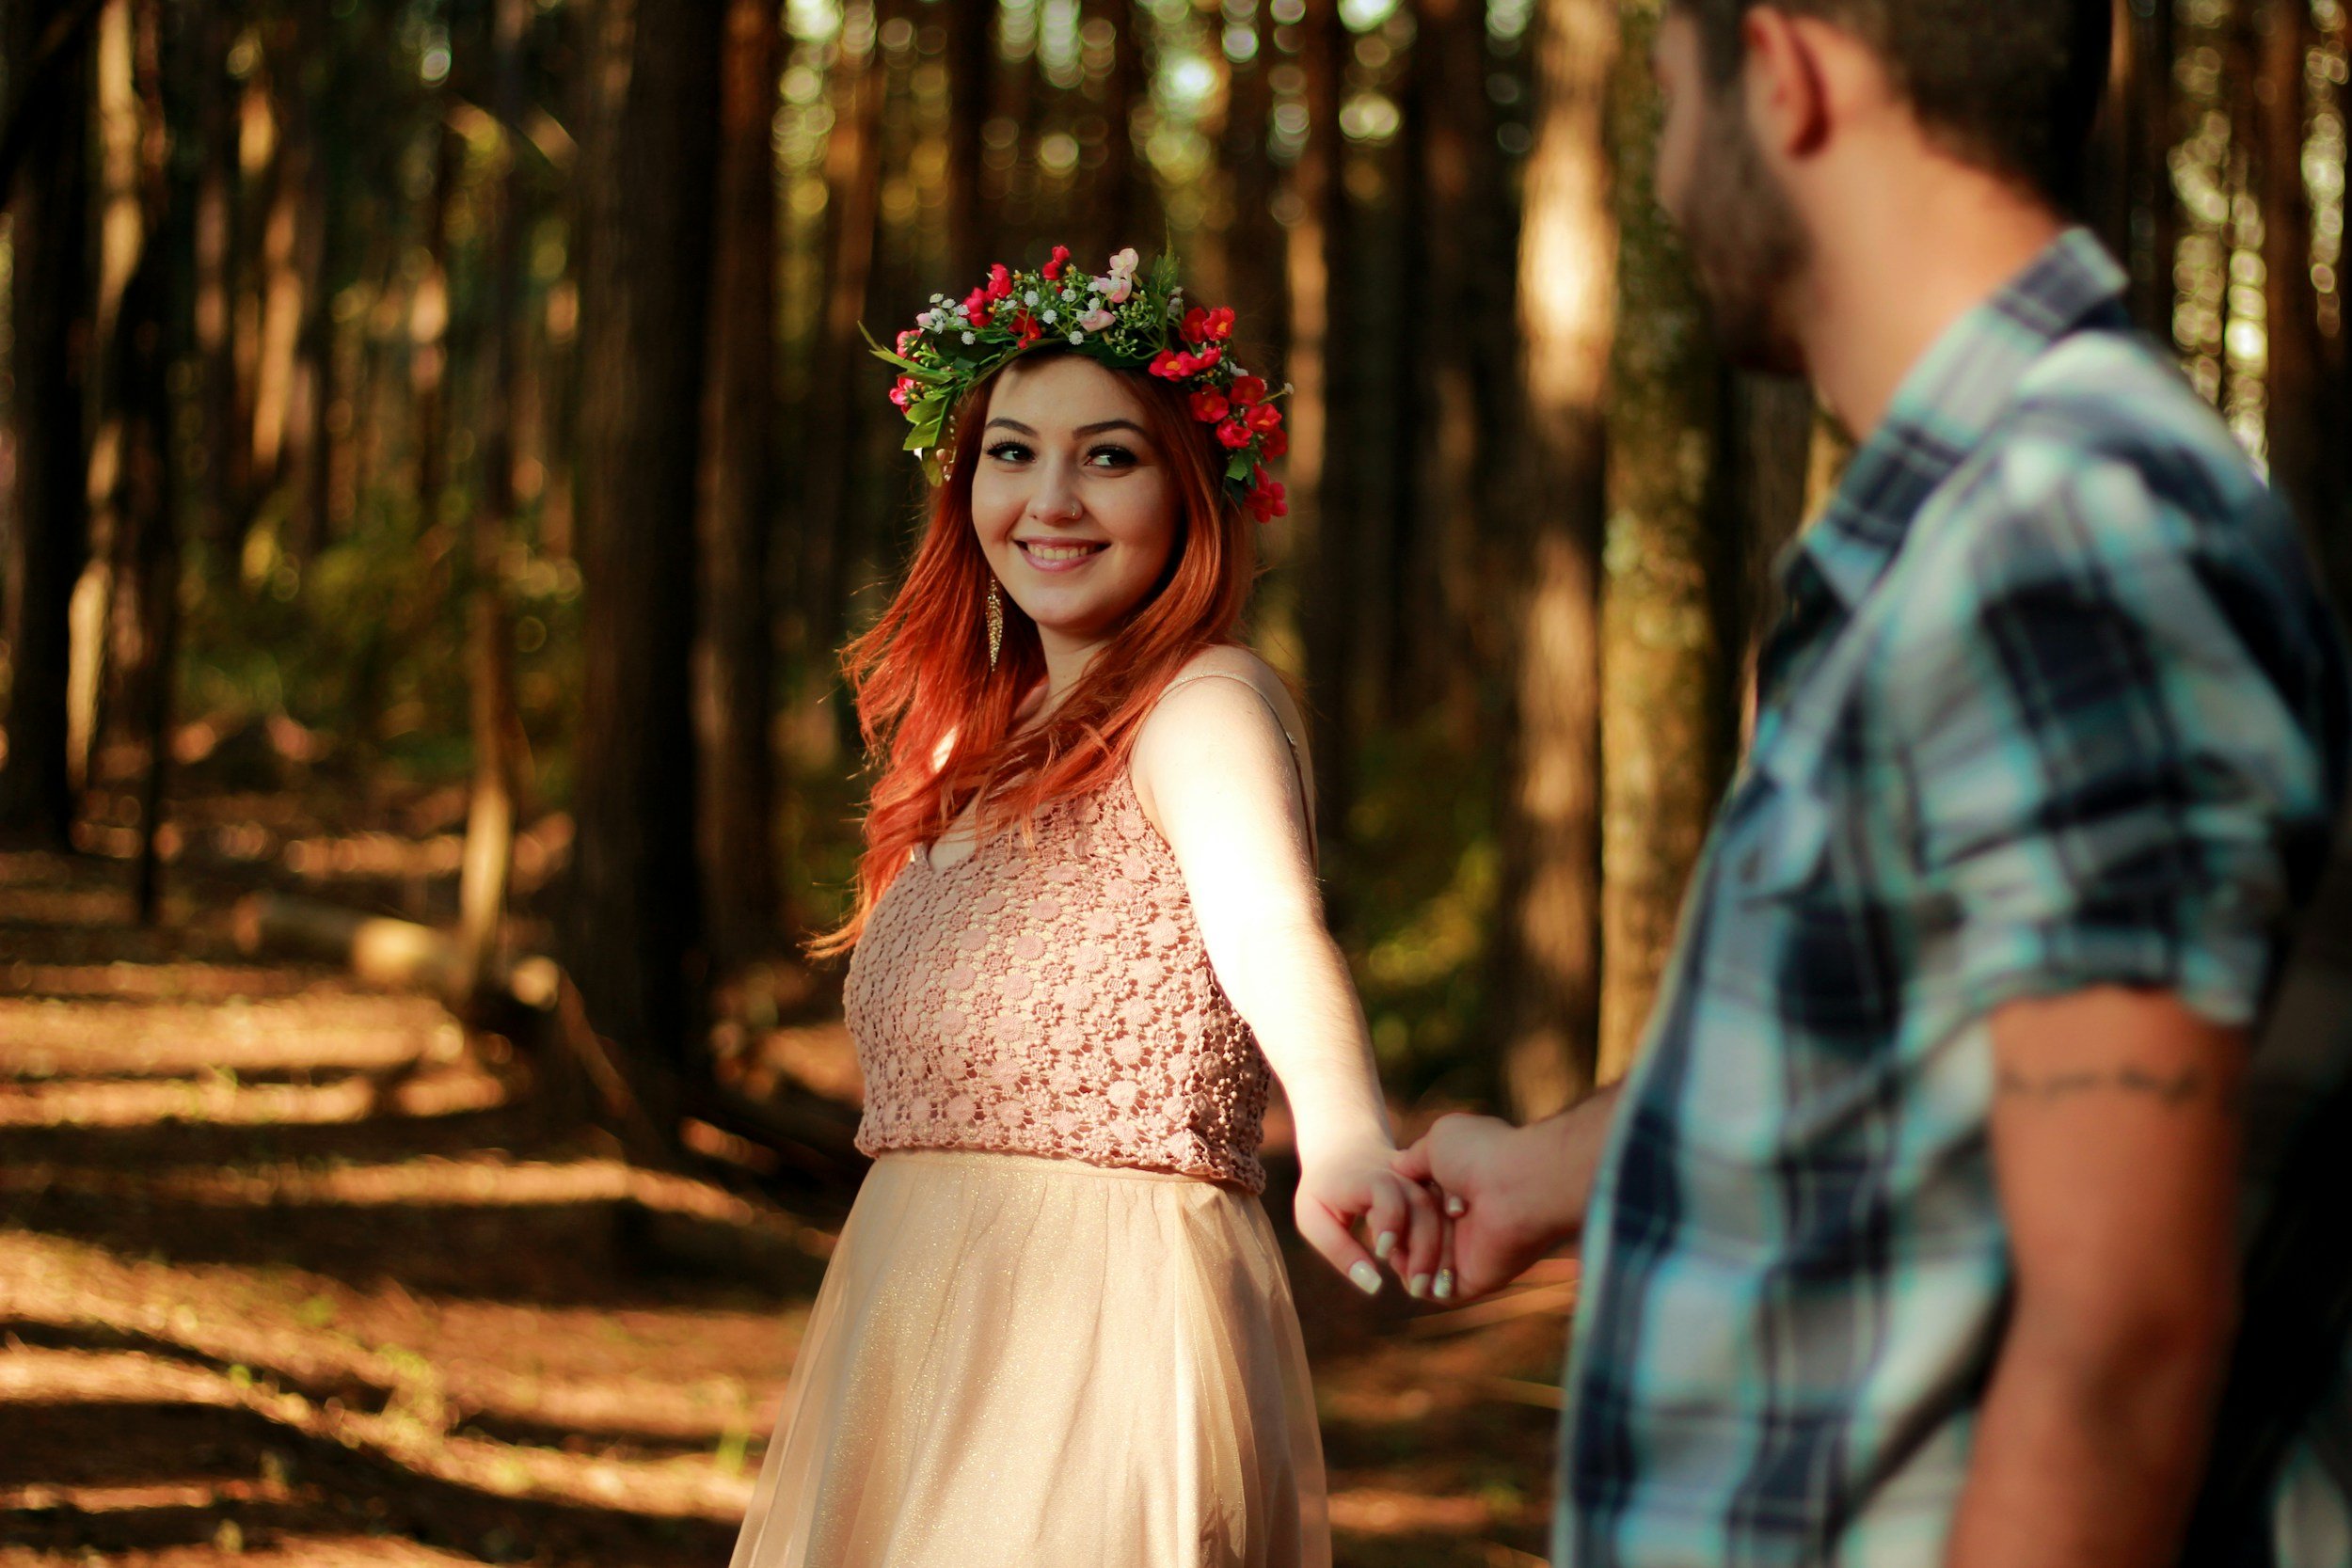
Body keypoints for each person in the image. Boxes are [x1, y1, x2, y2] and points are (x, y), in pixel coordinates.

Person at [1396, 2, 2352, 1564]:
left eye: (1669, 102)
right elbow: (1933, 1043)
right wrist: (1549, 1173)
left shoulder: (2061, 539)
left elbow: (2118, 1338)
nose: (1667, 175)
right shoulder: (1991, 531)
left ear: (1785, 74)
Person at [724, 246, 1445, 1568]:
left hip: (1100, 1323)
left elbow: (1272, 928)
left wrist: (1346, 1130)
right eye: (1013, 453)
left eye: (1109, 457)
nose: (1050, 500)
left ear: (1191, 488)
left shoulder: (1202, 706)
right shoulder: (968, 744)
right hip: (909, 1324)